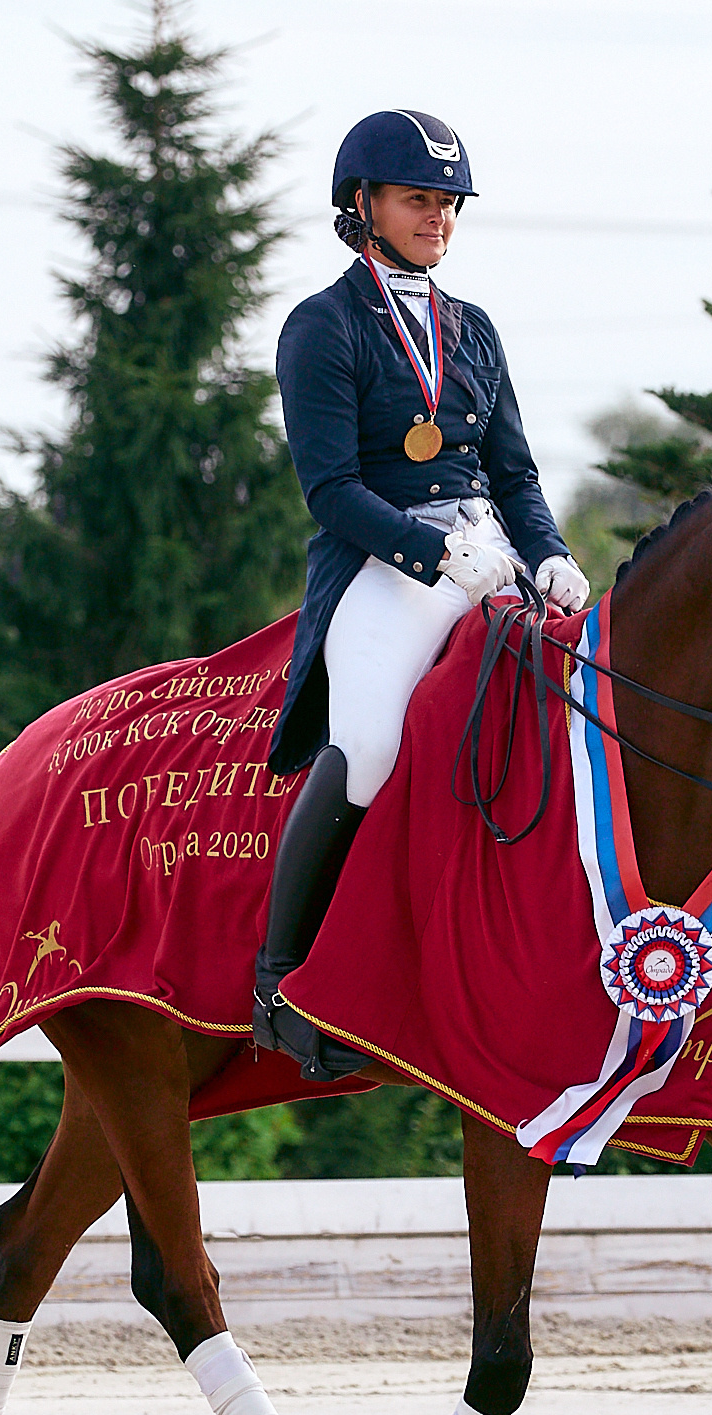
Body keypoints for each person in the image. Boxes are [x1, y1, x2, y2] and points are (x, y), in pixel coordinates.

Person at [252, 109, 587, 1078]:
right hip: (382, 566)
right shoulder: (323, 326)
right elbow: (330, 489)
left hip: (493, 552)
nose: (437, 217)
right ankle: (280, 984)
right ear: (362, 206)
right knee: (373, 746)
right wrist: (426, 556)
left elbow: (515, 472)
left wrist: (550, 553)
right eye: (418, 200)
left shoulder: (470, 328)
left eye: (446, 203)